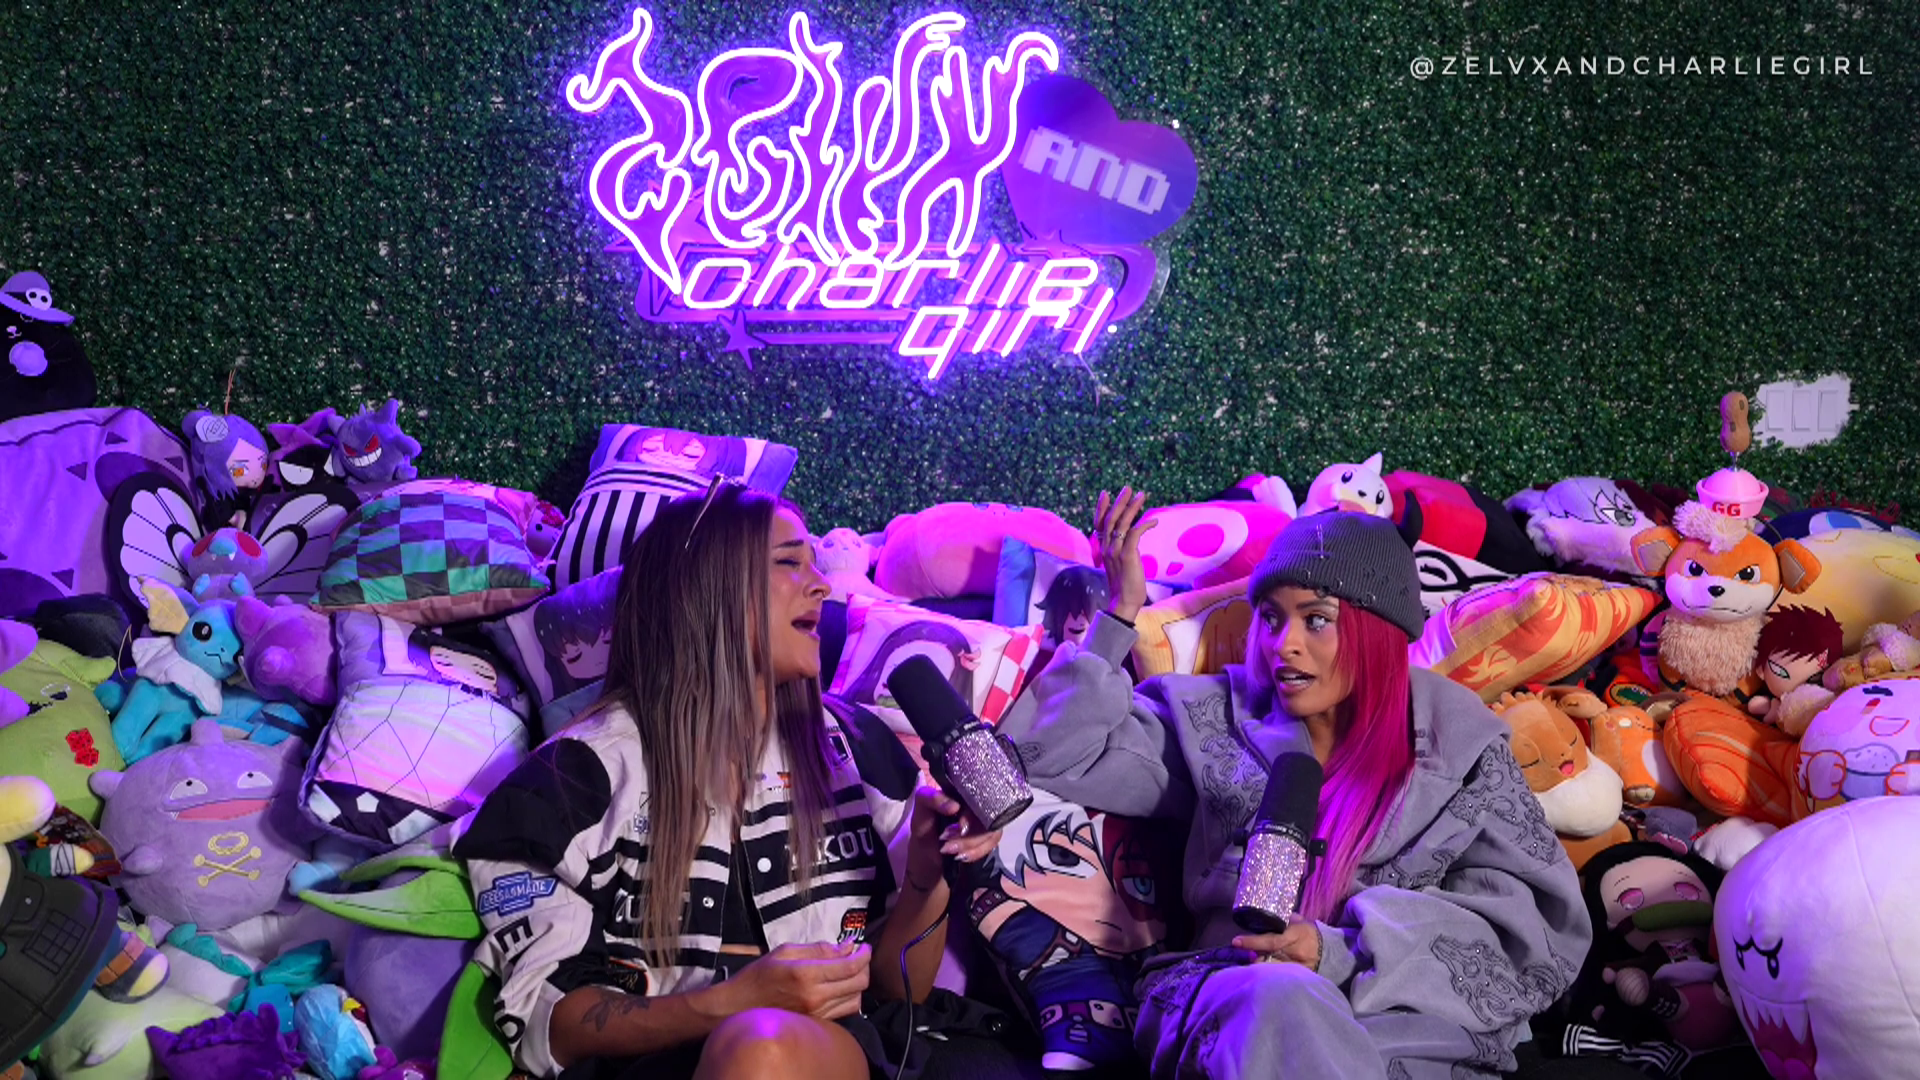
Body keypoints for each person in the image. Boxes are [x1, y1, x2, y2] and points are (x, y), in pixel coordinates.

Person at [997, 489, 1592, 1079]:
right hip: (1236, 999)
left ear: (1376, 629)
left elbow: (1540, 937)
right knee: (1280, 999)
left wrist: (1341, 951)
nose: (1284, 645)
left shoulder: (1462, 748)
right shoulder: (1212, 719)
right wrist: (1119, 615)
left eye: (1317, 619)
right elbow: (1044, 754)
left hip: (1400, 1025)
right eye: (1271, 618)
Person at [453, 481, 1000, 1080]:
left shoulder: (859, 746)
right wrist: (730, 1005)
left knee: (765, 1048)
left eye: (816, 563)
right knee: (758, 1047)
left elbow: (899, 993)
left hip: (847, 1054)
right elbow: (552, 1024)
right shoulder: (573, 778)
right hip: (657, 1068)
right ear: (705, 589)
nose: (822, 585)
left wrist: (925, 877)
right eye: (789, 562)